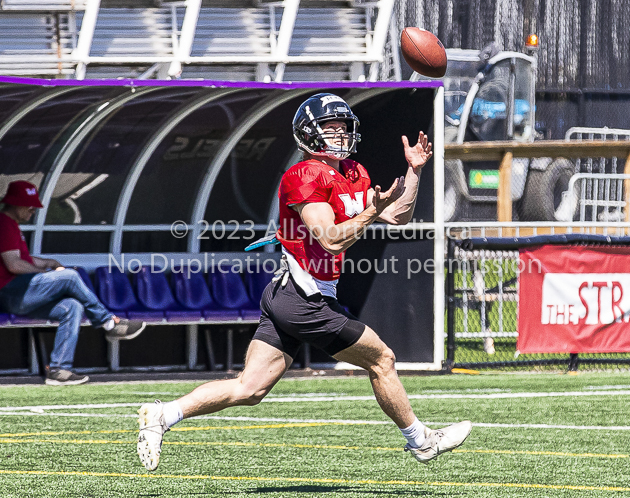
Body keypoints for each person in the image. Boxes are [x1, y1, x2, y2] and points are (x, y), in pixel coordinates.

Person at [137, 93, 472, 470]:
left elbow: (398, 216)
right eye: (331, 127)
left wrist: (414, 171)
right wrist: (369, 213)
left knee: (249, 389)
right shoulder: (305, 174)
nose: (340, 134)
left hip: (294, 294)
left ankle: (162, 415)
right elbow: (329, 238)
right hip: (302, 294)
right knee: (383, 359)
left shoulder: (353, 172)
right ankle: (421, 440)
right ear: (309, 135)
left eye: (344, 127)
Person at [0, 180, 146, 385]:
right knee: (69, 276)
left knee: (72, 307)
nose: (33, 212)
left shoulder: (12, 225)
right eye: (31, 207)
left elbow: (24, 258)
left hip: (23, 293)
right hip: (11, 293)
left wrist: (49, 263)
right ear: (18, 205)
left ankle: (59, 370)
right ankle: (109, 323)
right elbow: (14, 265)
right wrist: (45, 272)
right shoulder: (3, 223)